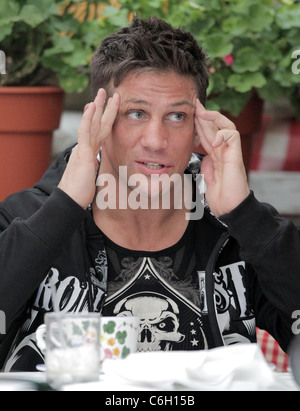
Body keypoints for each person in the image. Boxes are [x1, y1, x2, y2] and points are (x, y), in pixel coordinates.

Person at [0, 16, 300, 372]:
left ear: (197, 127)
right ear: (98, 120)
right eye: (136, 113)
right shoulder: (23, 220)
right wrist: (64, 207)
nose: (156, 141)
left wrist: (245, 214)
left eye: (176, 116)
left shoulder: (237, 233)